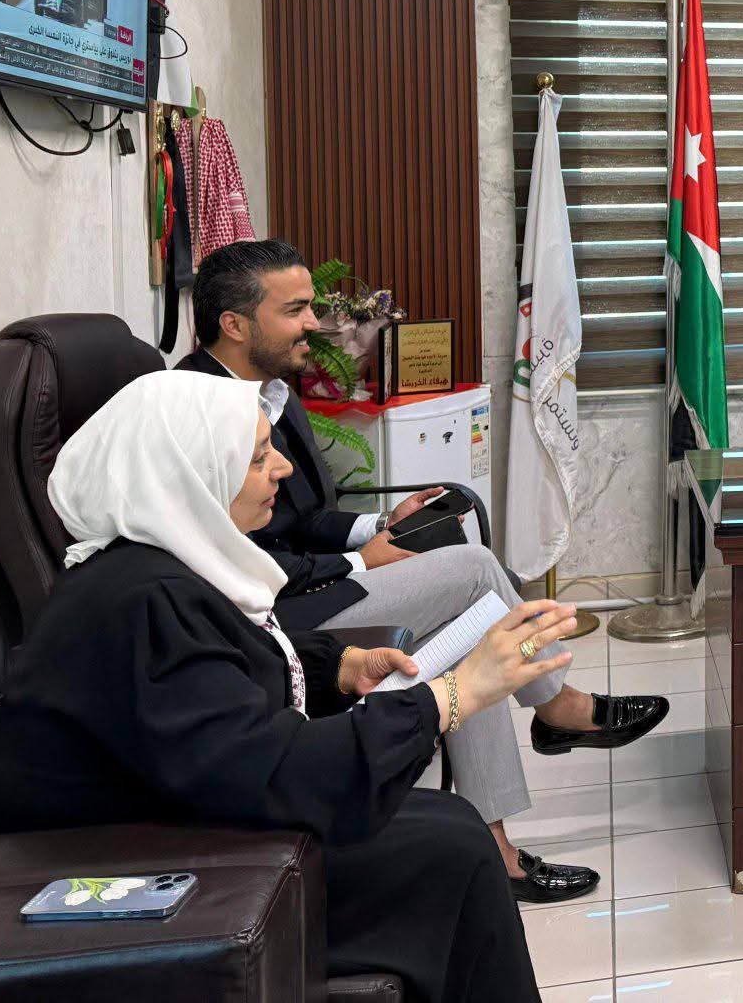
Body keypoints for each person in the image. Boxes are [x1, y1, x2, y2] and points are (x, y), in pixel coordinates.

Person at [0, 371, 564, 1002]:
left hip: (162, 819)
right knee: (452, 853)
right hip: (112, 865)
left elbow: (218, 683)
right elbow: (280, 773)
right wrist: (452, 694)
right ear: (192, 475)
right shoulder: (144, 604)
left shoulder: (154, 567)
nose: (282, 468)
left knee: (451, 826)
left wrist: (338, 667)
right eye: (257, 457)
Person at [176, 240, 667, 903]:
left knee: (472, 624)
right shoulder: (198, 413)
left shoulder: (273, 389)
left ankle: (496, 851)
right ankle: (556, 707)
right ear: (234, 324)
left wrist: (377, 526)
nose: (314, 325)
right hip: (273, 612)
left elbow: (303, 516)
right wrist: (360, 560)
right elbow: (237, 557)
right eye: (294, 311)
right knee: (474, 572)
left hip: (313, 582)